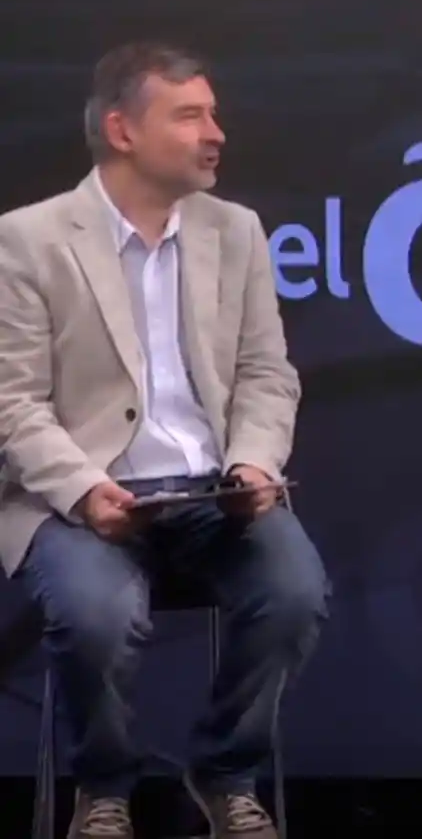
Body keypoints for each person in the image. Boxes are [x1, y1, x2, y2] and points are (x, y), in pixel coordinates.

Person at [0, 42, 329, 839]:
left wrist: (252, 462)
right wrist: (85, 490)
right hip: (77, 499)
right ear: (122, 130)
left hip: (212, 494)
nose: (216, 133)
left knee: (294, 593)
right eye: (189, 116)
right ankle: (104, 787)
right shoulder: (27, 240)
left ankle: (224, 772)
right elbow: (12, 403)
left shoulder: (236, 232)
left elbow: (266, 374)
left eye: (212, 114)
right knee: (95, 615)